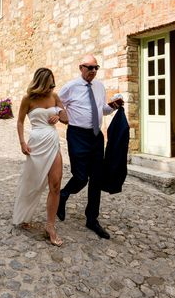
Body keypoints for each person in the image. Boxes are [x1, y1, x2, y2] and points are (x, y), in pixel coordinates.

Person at [56, 54, 123, 239]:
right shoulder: (70, 87)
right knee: (80, 176)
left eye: (96, 68)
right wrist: (60, 115)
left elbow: (102, 109)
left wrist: (114, 106)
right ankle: (63, 194)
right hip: (77, 135)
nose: (93, 71)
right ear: (81, 68)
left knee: (96, 178)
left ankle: (92, 219)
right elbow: (55, 104)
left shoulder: (100, 87)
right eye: (89, 67)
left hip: (96, 136)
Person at [13, 68, 68, 246]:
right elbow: (20, 121)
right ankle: (25, 215)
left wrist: (58, 115)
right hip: (35, 145)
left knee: (56, 184)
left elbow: (66, 118)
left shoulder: (55, 97)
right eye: (49, 83)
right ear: (41, 82)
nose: (52, 86)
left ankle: (50, 226)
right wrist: (22, 143)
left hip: (52, 143)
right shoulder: (28, 99)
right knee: (32, 182)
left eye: (53, 83)